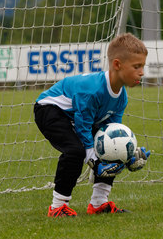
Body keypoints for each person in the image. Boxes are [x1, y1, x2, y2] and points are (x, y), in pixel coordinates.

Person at [34, 33, 151, 217]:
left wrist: (128, 157)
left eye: (143, 66)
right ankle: (57, 207)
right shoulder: (92, 90)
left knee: (112, 147)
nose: (142, 72)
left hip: (74, 116)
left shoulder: (121, 97)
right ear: (117, 64)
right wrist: (94, 162)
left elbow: (112, 134)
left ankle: (98, 204)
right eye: (137, 66)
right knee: (75, 151)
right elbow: (83, 127)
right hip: (50, 109)